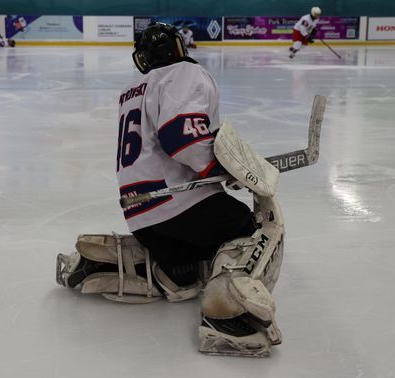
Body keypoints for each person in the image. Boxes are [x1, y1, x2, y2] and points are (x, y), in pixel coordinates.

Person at [56, 23, 285, 357]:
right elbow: (183, 138)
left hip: (142, 214)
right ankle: (229, 317)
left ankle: (162, 270)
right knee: (254, 228)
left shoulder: (132, 89)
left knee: (194, 257)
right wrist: (223, 169)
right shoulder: (183, 74)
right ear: (179, 49)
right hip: (179, 203)